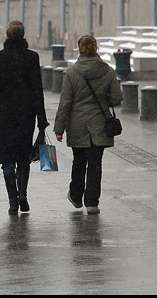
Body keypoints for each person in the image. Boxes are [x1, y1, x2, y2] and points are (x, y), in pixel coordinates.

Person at [0, 20, 49, 215]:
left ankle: (13, 201)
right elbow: (38, 90)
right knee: (23, 158)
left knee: (7, 161)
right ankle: (23, 196)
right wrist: (41, 119)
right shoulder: (31, 57)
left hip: (4, 116)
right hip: (25, 116)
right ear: (23, 36)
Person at [54, 35, 123, 215]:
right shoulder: (107, 71)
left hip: (77, 124)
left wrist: (59, 128)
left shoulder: (72, 72)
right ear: (96, 48)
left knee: (79, 161)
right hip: (100, 124)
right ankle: (92, 202)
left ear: (79, 49)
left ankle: (76, 196)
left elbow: (65, 102)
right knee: (95, 164)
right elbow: (117, 98)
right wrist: (103, 98)